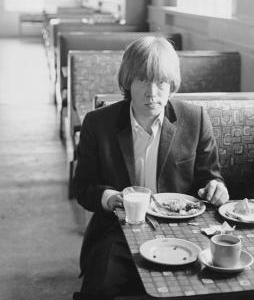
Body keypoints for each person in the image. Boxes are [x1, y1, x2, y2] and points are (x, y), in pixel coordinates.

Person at [72, 36, 229, 300]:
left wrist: (217, 189)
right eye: (143, 80)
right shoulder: (98, 124)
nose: (152, 92)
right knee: (99, 288)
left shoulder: (195, 119)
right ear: (128, 82)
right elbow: (83, 187)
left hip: (183, 230)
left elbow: (210, 178)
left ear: (172, 85)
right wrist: (111, 198)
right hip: (119, 229)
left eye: (161, 82)